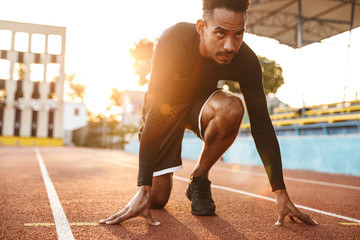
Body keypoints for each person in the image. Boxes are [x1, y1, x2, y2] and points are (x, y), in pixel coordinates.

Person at [100, 0, 318, 226]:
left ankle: (199, 177)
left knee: (233, 108)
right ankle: (149, 191)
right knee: (157, 199)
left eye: (238, 34)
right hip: (165, 109)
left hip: (202, 104)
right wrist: (142, 187)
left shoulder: (247, 61)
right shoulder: (174, 39)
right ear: (201, 28)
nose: (230, 46)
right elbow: (156, 110)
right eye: (221, 33)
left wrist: (280, 193)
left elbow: (261, 125)